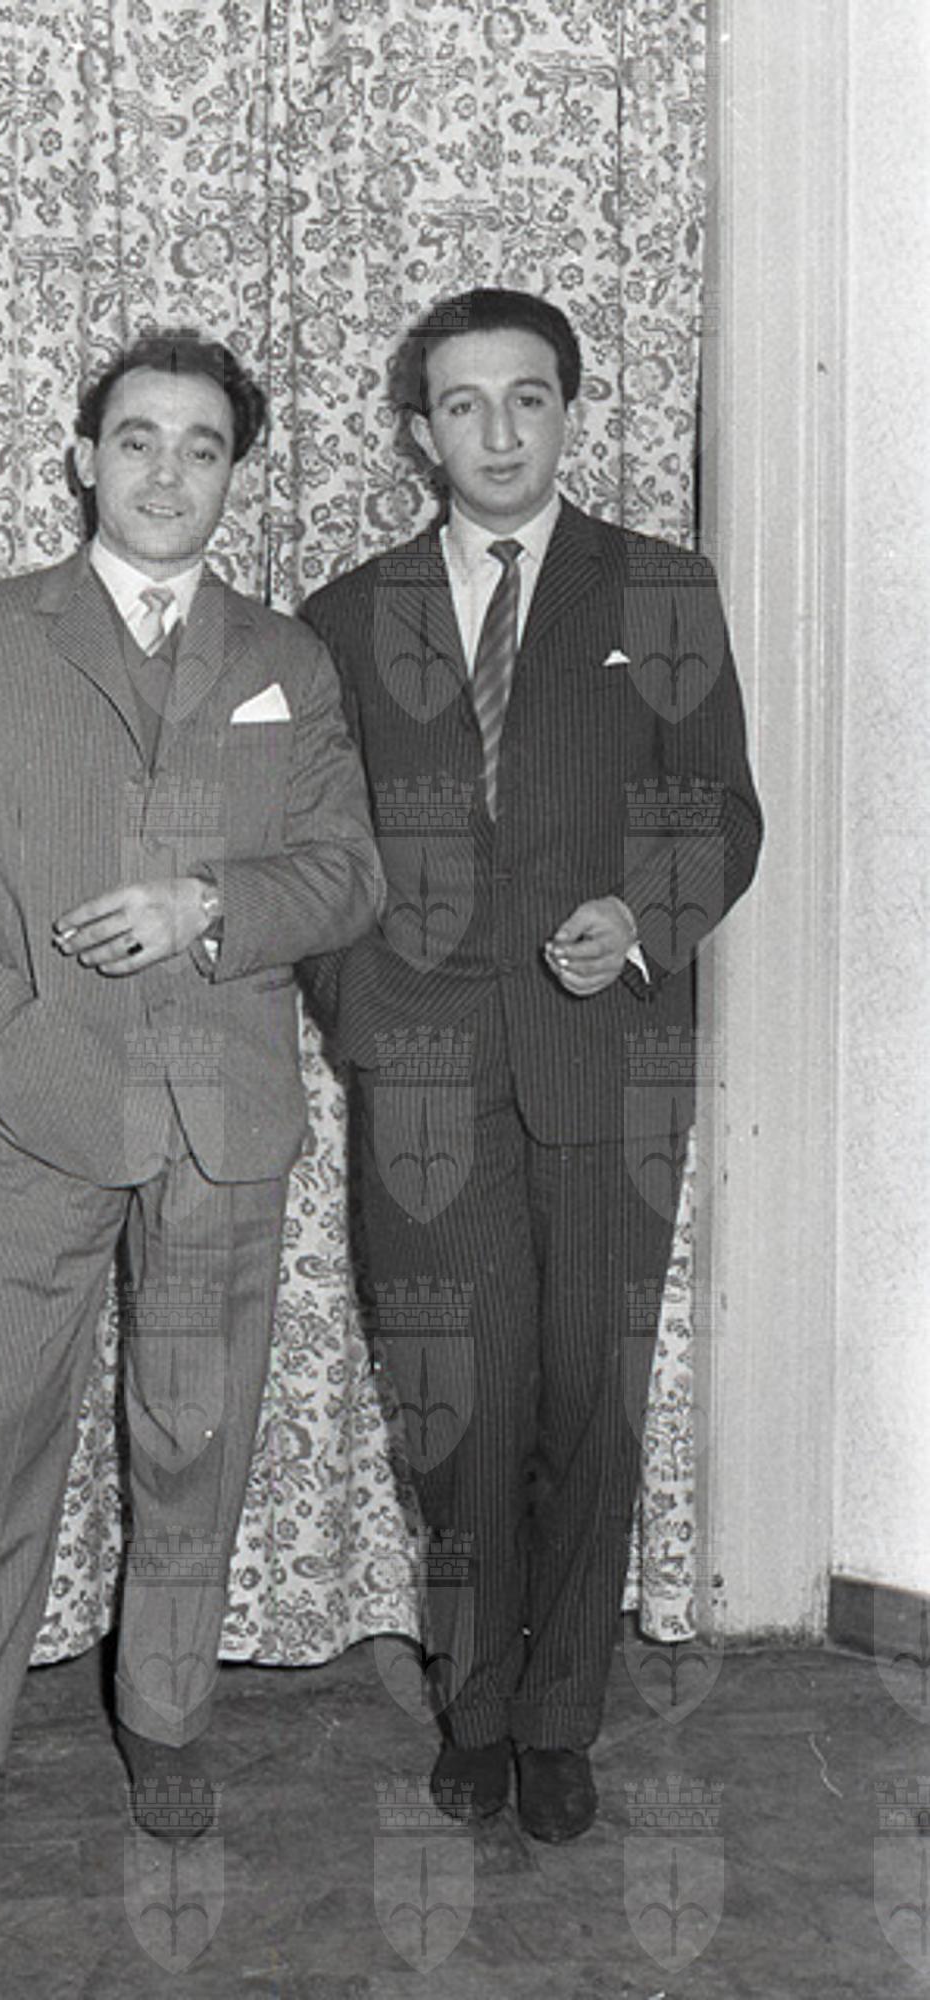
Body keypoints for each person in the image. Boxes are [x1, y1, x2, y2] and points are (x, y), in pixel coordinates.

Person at [0, 330, 380, 1900]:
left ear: (234, 473)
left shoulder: (287, 658)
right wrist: (1, 1032)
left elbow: (347, 872)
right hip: (41, 1104)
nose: (166, 472)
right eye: (137, 439)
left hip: (224, 1114)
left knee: (191, 1438)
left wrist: (209, 904)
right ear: (84, 459)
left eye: (202, 447)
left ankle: (165, 1719)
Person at [301, 288, 761, 1841]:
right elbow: (314, 854)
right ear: (417, 430)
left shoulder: (660, 587)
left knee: (588, 1399)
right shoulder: (347, 615)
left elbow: (718, 811)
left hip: (608, 1063)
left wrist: (640, 916)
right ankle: (477, 1707)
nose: (495, 432)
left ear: (567, 411)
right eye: (461, 403)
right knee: (456, 1402)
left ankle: (560, 1715)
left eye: (526, 399)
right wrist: (366, 1020)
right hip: (424, 1081)